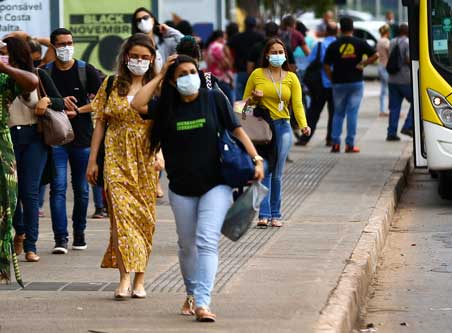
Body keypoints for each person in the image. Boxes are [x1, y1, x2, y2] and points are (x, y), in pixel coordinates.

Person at [133, 54, 265, 321]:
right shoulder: (166, 106)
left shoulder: (214, 99)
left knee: (206, 240)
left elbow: (237, 129)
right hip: (181, 187)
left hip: (216, 183)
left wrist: (256, 158)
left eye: (192, 71)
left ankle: (203, 302)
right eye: (181, 74)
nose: (189, 77)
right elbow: (137, 103)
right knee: (187, 245)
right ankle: (191, 293)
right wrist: (160, 75)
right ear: (172, 80)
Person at [87, 33, 158, 299]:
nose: (139, 61)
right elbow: (100, 124)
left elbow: (163, 125)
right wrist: (93, 160)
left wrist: (160, 153)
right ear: (125, 57)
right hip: (115, 156)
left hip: (145, 159)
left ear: (152, 60)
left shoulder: (157, 87)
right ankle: (125, 277)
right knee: (120, 218)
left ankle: (141, 279)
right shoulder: (110, 84)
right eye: (135, 56)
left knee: (144, 220)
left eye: (145, 57)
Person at [42, 28, 103, 254]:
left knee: (81, 188)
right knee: (57, 188)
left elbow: (101, 102)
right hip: (56, 137)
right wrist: (56, 102)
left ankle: (79, 234)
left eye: (69, 42)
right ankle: (60, 239)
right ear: (53, 47)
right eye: (61, 44)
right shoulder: (45, 72)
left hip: (82, 138)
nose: (67, 47)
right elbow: (38, 101)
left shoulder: (86, 70)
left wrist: (79, 110)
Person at [6, 37, 64, 262]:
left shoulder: (38, 76)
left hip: (33, 138)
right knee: (11, 193)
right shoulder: (2, 78)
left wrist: (47, 101)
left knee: (29, 192)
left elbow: (60, 102)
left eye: (5, 53)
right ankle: (18, 231)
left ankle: (31, 244)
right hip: (7, 137)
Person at [244, 38, 310, 228]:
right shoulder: (257, 74)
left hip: (283, 127)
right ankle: (263, 215)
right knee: (265, 170)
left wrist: (304, 125)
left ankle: (276, 214)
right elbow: (243, 106)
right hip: (263, 129)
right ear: (266, 55)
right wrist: (254, 100)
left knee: (277, 172)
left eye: (281, 52)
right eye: (274, 52)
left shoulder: (291, 77)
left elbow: (297, 104)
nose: (277, 56)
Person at [0, 39, 39, 280]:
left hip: (3, 146)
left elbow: (32, 82)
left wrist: (4, 68)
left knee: (7, 203)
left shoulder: (4, 80)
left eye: (3, 54)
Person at [323, 17, 378, 153]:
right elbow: (375, 55)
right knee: (352, 113)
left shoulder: (334, 45)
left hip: (338, 83)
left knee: (338, 113)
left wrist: (331, 78)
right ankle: (350, 145)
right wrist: (363, 64)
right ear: (353, 28)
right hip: (356, 83)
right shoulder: (360, 43)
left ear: (340, 29)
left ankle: (335, 144)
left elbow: (326, 65)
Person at [296, 21, 337, 147]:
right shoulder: (339, 45)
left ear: (325, 32)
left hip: (320, 85)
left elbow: (310, 61)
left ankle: (305, 138)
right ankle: (330, 139)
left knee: (314, 111)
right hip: (335, 84)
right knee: (334, 113)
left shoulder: (320, 45)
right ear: (337, 32)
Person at [386, 24, 413, 141]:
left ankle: (391, 133)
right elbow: (408, 59)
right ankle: (408, 126)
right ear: (407, 32)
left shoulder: (392, 41)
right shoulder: (407, 42)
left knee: (394, 107)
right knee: (418, 102)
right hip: (405, 79)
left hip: (392, 79)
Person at [228, 16, 264, 101]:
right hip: (256, 71)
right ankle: (252, 114)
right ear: (255, 25)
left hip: (241, 70)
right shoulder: (260, 37)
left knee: (240, 97)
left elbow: (227, 46)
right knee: (255, 96)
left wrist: (230, 60)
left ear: (245, 25)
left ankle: (240, 114)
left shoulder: (238, 37)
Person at [205, 30, 234, 103]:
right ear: (220, 37)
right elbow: (226, 65)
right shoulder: (218, 47)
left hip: (212, 77)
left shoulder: (210, 46)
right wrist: (231, 79)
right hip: (221, 79)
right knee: (228, 103)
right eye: (224, 38)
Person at [377, 24, 391, 117]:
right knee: (388, 89)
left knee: (383, 89)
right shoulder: (386, 41)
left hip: (380, 65)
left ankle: (382, 109)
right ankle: (387, 110)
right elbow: (389, 53)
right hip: (386, 66)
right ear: (387, 32)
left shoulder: (379, 41)